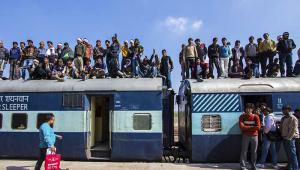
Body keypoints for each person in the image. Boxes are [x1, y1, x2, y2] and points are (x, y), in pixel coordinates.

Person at [239, 103, 261, 170]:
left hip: (255, 136)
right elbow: (241, 127)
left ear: (252, 109)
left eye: (250, 108)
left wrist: (246, 127)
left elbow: (258, 127)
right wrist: (252, 127)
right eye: (247, 108)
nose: (248, 110)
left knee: (254, 151)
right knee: (244, 151)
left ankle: (253, 166)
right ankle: (243, 166)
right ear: (245, 109)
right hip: (245, 136)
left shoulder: (256, 116)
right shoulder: (242, 116)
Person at [280, 105, 299, 170]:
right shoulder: (283, 118)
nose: (283, 111)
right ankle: (289, 167)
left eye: (285, 109)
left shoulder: (292, 118)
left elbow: (293, 130)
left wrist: (289, 138)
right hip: (284, 138)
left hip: (291, 138)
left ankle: (295, 168)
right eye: (283, 109)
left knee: (292, 154)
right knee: (288, 154)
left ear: (288, 110)